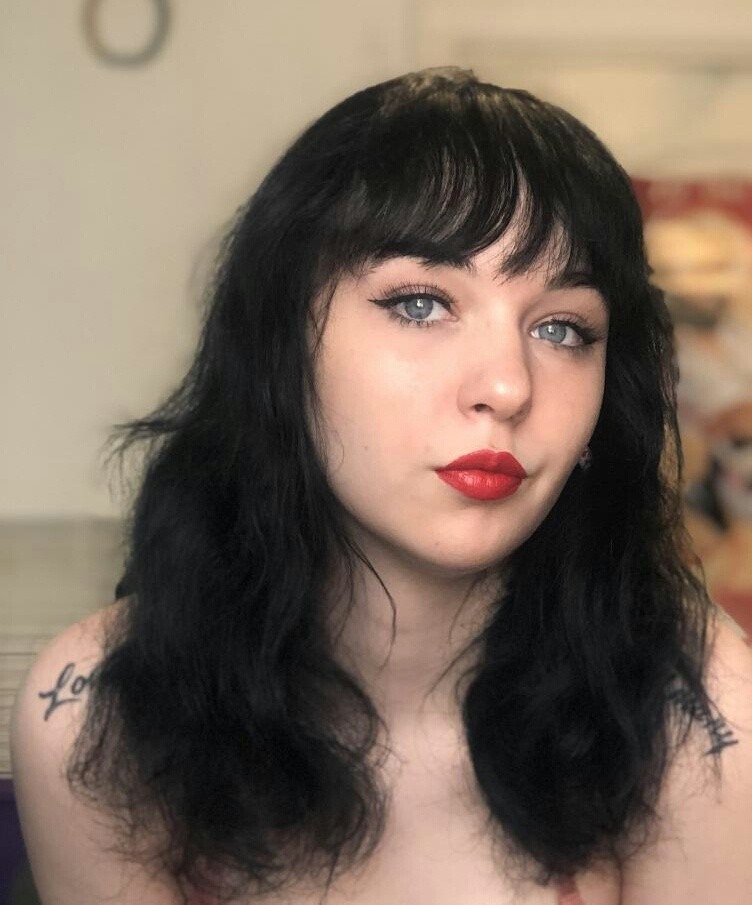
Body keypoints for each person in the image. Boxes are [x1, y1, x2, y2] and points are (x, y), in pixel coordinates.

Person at [10, 67, 752, 905]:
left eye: (561, 327)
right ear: (282, 342)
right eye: (421, 304)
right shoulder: (95, 713)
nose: (507, 385)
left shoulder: (699, 714)